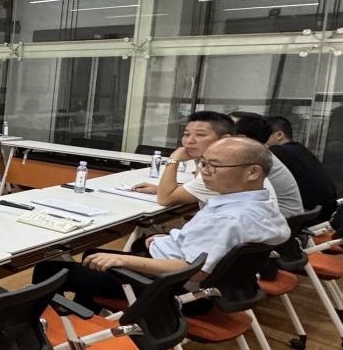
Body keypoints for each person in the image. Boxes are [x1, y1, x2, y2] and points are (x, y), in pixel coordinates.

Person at [34, 137, 290, 311]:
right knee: (93, 256)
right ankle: (89, 324)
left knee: (49, 269)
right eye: (203, 163)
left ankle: (42, 334)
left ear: (253, 172)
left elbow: (193, 270)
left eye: (214, 166)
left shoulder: (229, 218)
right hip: (208, 285)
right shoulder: (262, 206)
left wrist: (123, 259)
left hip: (169, 288)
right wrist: (169, 241)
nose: (204, 171)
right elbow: (206, 249)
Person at [229, 113, 303, 218]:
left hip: (281, 216)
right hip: (286, 214)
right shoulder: (262, 152)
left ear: (240, 137)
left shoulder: (252, 157)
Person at [267, 115, 337, 223]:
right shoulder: (300, 149)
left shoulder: (277, 152)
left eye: (262, 135)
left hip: (307, 215)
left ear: (279, 135)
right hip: (323, 212)